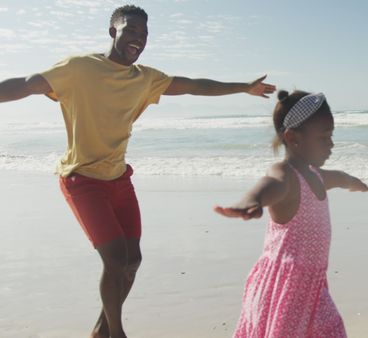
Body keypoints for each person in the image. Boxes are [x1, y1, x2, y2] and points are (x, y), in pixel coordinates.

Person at [0, 5, 275, 338]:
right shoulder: (79, 68)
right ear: (112, 31)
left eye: (144, 34)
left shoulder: (145, 78)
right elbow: (28, 84)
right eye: (130, 30)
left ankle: (102, 330)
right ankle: (116, 334)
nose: (138, 39)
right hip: (81, 180)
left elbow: (191, 85)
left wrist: (243, 87)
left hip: (118, 179)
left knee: (132, 260)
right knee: (116, 260)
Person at [215, 90, 368, 337]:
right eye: (323, 138)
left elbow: (340, 177)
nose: (331, 144)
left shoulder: (317, 176)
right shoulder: (287, 175)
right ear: (293, 138)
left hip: (313, 288)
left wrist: (355, 183)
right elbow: (269, 184)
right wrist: (251, 202)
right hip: (286, 292)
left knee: (332, 331)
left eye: (331, 136)